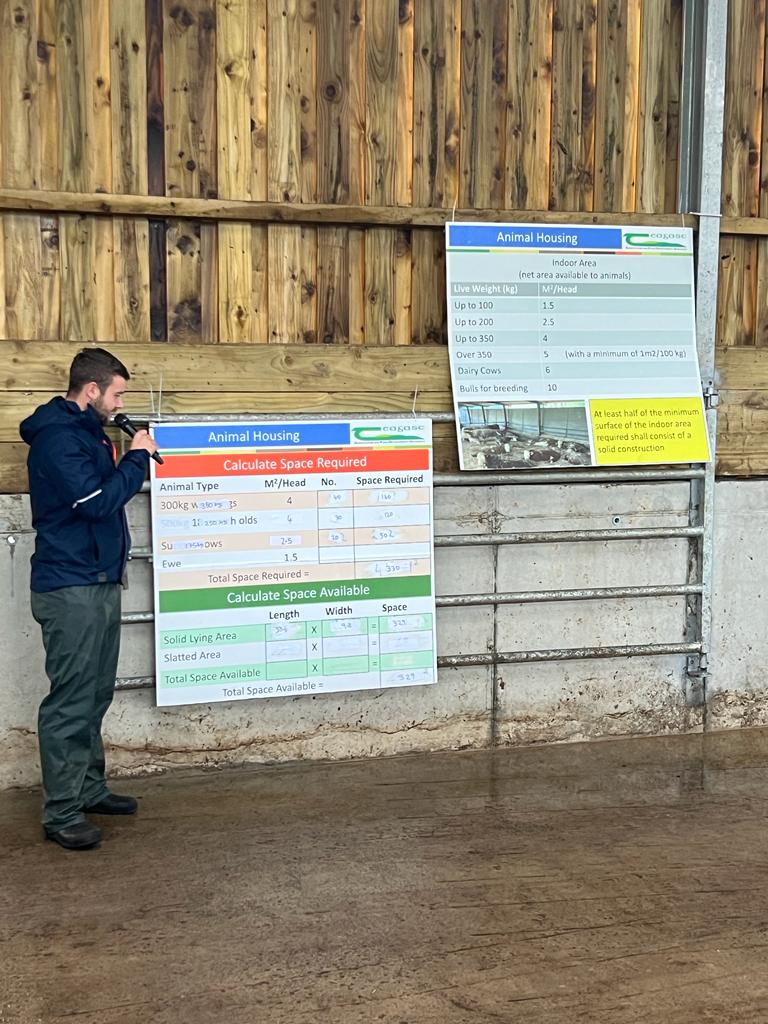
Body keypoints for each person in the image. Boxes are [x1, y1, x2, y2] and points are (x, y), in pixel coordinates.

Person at [20, 347, 158, 851]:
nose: (121, 403)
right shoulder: (58, 439)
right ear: (92, 389)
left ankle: (89, 788)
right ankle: (61, 813)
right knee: (70, 700)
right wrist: (137, 460)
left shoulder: (88, 433)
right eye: (117, 393)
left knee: (96, 692)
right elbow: (96, 503)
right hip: (69, 585)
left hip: (98, 578)